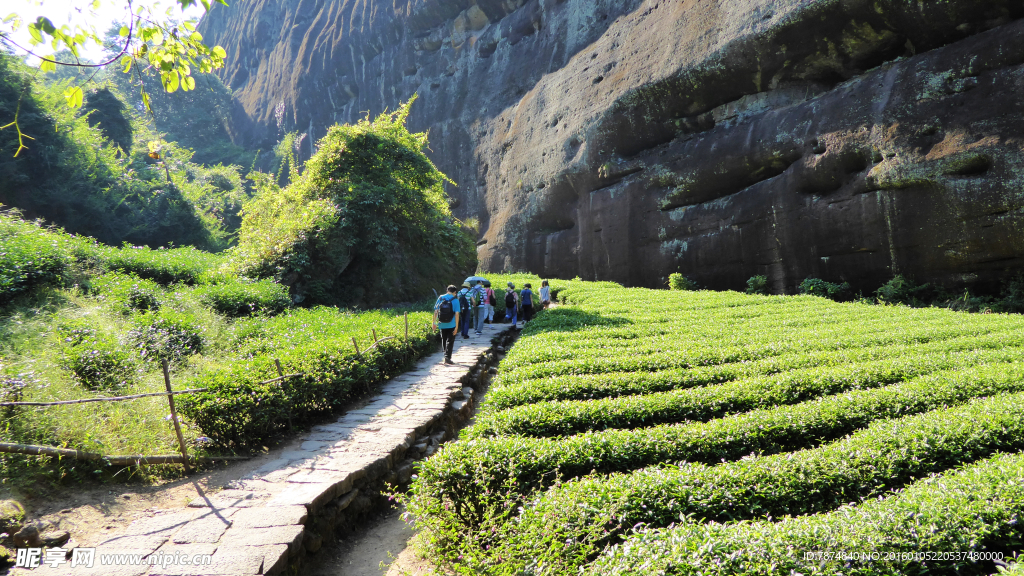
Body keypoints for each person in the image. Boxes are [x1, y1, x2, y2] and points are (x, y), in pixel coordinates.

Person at [433, 285, 460, 364]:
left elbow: (436, 311)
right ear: (454, 292)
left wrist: (434, 323)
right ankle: (447, 357)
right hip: (451, 324)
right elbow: (457, 314)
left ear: (447, 291)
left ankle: (445, 355)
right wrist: (457, 327)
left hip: (441, 323)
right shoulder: (455, 300)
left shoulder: (441, 298)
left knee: (444, 339)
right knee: (450, 341)